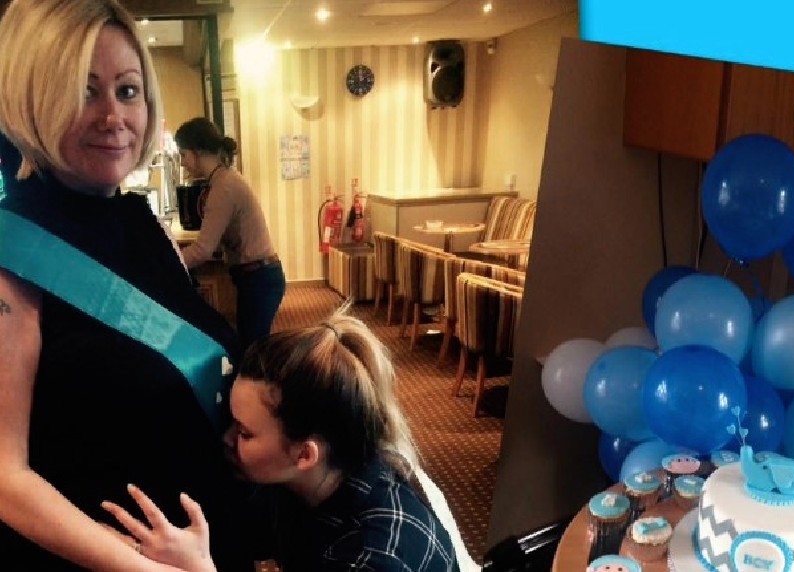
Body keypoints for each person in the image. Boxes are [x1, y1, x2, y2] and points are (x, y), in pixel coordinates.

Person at [0, 1, 267, 570]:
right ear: (32, 97)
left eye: (127, 91)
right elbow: (6, 479)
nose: (112, 116)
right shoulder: (11, 250)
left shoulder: (144, 224)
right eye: (83, 91)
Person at [103, 305, 462, 572]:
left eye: (245, 432)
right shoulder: (312, 481)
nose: (226, 438)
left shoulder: (376, 556)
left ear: (305, 454)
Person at [174, 117, 285, 350]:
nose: (182, 163)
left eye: (183, 154)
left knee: (251, 353)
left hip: (259, 278)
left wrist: (167, 265)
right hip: (260, 276)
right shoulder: (225, 179)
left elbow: (202, 250)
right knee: (251, 349)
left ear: (198, 151)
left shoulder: (223, 187)